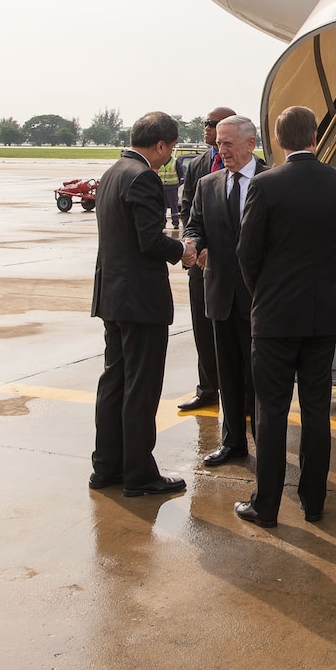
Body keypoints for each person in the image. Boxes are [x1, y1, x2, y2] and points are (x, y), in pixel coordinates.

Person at [233, 106, 336, 527]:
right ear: (315, 137)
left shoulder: (266, 184)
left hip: (274, 317)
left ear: (279, 140)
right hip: (322, 315)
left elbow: (246, 253)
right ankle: (314, 502)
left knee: (271, 411)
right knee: (316, 410)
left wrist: (263, 295)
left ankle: (266, 506)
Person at [89, 111, 196, 497]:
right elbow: (149, 240)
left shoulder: (113, 172)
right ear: (161, 145)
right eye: (169, 150)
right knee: (141, 386)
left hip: (113, 296)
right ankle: (139, 474)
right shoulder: (143, 177)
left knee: (114, 381)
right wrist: (182, 251)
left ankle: (106, 466)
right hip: (140, 301)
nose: (169, 158)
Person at [183, 115, 265, 467]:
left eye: (228, 143)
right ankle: (233, 442)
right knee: (228, 372)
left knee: (260, 376)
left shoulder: (271, 180)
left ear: (251, 143)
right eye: (218, 143)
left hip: (261, 297)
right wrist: (191, 242)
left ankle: (266, 443)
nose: (222, 150)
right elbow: (195, 224)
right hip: (220, 294)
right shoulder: (208, 183)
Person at [176, 107, 235, 412]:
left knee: (238, 333)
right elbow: (188, 213)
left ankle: (243, 394)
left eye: (212, 124)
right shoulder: (198, 166)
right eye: (205, 124)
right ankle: (208, 388)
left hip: (234, 266)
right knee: (202, 326)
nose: (206, 129)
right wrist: (195, 248)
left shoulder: (260, 170)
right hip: (201, 264)